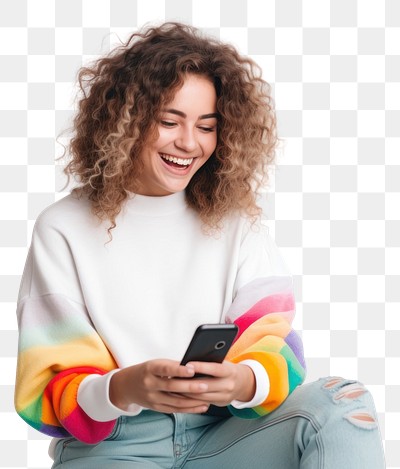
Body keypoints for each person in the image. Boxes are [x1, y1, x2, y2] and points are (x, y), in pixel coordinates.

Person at [15, 22, 385, 468]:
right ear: (124, 121)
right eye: (169, 121)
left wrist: (242, 382)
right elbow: (48, 393)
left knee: (343, 405)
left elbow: (277, 347)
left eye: (206, 127)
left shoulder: (236, 223)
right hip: (113, 447)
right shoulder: (63, 229)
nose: (188, 143)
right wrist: (125, 387)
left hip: (225, 435)